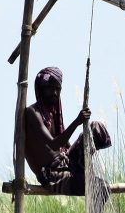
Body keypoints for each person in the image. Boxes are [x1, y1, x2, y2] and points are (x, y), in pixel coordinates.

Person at [23, 66, 111, 196]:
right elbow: (53, 145)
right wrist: (77, 121)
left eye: (58, 89)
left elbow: (65, 145)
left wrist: (82, 147)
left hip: (66, 162)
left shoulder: (53, 113)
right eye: (51, 88)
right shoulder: (32, 113)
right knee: (100, 187)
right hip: (51, 175)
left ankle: (83, 169)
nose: (55, 93)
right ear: (41, 89)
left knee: (96, 127)